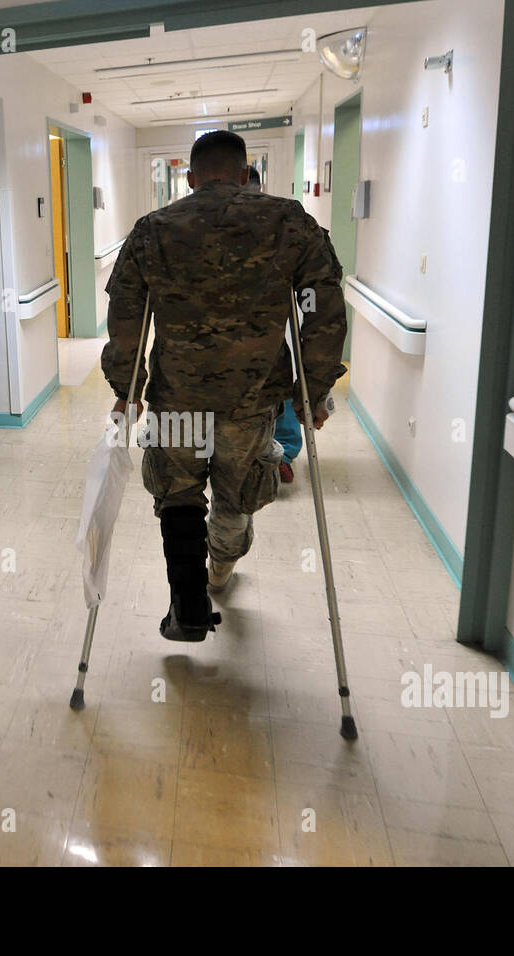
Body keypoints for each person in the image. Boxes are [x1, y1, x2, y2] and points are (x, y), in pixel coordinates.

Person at [101, 130, 347, 642]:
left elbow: (126, 318)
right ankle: (220, 570)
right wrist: (314, 391)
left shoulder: (154, 230)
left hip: (177, 399)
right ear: (243, 174)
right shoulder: (290, 223)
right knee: (236, 492)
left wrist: (127, 387)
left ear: (190, 179)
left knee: (179, 493)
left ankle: (187, 605)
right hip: (251, 401)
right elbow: (322, 313)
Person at [243, 166, 304, 485]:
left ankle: (278, 454)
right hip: (266, 339)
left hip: (247, 339)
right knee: (278, 390)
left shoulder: (284, 224)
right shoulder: (285, 221)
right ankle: (279, 453)